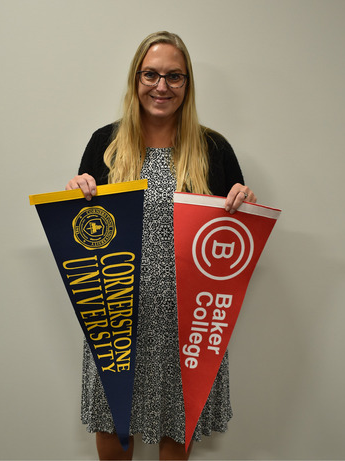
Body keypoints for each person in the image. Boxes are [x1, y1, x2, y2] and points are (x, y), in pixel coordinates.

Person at [62, 31, 258, 461]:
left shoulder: (212, 149)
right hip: (115, 313)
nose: (161, 86)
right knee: (112, 421)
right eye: (151, 74)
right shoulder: (105, 145)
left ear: (187, 85)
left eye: (174, 76)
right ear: (136, 79)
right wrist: (78, 190)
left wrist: (244, 205)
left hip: (189, 319)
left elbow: (232, 237)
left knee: (177, 423)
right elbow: (84, 228)